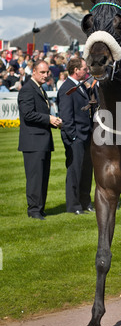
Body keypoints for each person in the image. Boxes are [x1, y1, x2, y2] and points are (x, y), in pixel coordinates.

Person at [18, 61, 62, 220]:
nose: (46, 75)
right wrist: (48, 118)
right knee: (35, 178)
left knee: (43, 177)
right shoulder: (27, 90)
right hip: (33, 142)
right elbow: (28, 114)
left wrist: (54, 122)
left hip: (41, 141)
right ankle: (34, 210)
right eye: (42, 72)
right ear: (34, 72)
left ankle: (40, 208)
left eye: (47, 72)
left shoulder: (39, 88)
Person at [57, 57, 94, 215]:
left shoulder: (80, 86)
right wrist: (73, 137)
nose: (87, 71)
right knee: (75, 172)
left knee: (86, 171)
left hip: (86, 135)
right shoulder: (67, 88)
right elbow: (66, 116)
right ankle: (73, 205)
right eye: (84, 69)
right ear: (76, 70)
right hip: (76, 137)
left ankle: (85, 202)